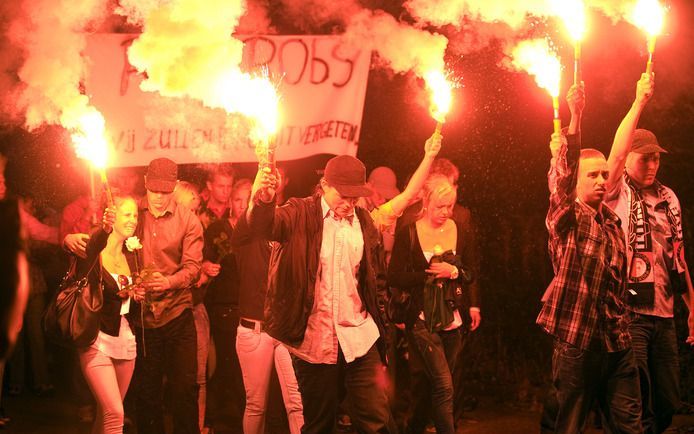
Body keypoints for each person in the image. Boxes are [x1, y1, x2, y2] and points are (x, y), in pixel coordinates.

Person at [243, 155, 394, 434]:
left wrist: (383, 321)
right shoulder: (298, 212)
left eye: (355, 196)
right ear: (324, 185)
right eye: (343, 195)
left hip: (359, 339)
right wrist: (263, 200)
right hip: (315, 341)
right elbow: (263, 227)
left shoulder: (364, 222)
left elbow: (376, 280)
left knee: (378, 423)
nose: (349, 203)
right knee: (318, 426)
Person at [537, 82, 642, 433]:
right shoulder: (566, 219)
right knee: (569, 426)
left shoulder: (612, 224)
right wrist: (576, 116)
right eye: (592, 175)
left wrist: (639, 99)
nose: (601, 180)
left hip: (616, 341)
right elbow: (562, 179)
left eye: (604, 175)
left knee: (630, 425)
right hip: (577, 341)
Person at [603, 73, 694, 433]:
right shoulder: (616, 192)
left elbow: (679, 256)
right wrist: (639, 101)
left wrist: (691, 306)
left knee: (669, 400)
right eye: (645, 159)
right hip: (631, 311)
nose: (653, 165)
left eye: (657, 159)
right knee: (634, 397)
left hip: (665, 311)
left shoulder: (669, 198)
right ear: (629, 161)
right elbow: (617, 152)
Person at [387, 176, 475, 434]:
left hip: (452, 319)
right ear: (426, 202)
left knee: (435, 384)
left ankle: (413, 427)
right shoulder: (409, 233)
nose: (445, 212)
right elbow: (394, 276)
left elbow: (472, 272)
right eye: (439, 206)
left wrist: (454, 272)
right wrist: (429, 274)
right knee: (444, 384)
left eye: (449, 206)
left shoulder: (461, 230)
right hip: (422, 319)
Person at [131, 157, 204, 434]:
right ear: (146, 184)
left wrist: (170, 282)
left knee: (185, 390)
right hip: (143, 320)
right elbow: (111, 252)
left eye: (165, 191)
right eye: (154, 191)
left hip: (177, 314)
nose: (159, 198)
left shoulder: (189, 221)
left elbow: (193, 268)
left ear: (174, 187)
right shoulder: (131, 213)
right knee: (147, 394)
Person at [230, 178, 304, 434]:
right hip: (255, 331)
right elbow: (254, 214)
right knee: (256, 406)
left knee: (296, 403)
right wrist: (260, 193)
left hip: (285, 332)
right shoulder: (245, 235)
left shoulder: (289, 235)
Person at [77, 196, 141, 434]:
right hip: (97, 339)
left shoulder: (133, 255)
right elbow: (91, 245)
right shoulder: (95, 251)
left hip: (125, 340)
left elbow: (130, 299)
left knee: (107, 417)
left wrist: (138, 294)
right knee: (115, 414)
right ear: (112, 217)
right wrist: (103, 228)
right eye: (127, 214)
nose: (133, 220)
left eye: (135, 215)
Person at [201, 179, 247, 432]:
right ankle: (220, 418)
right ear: (230, 202)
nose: (242, 205)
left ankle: (241, 418)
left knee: (240, 366)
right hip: (222, 307)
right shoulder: (217, 229)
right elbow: (202, 260)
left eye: (246, 199)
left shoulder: (255, 230)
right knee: (228, 363)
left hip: (249, 307)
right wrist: (206, 266)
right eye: (237, 199)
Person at [173, 180, 211, 433]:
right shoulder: (162, 235)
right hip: (172, 311)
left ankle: (196, 427)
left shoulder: (198, 232)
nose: (194, 216)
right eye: (189, 209)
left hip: (195, 309)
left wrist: (203, 271)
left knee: (199, 378)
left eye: (196, 210)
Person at [199, 164, 234, 229]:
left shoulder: (236, 209)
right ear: (209, 185)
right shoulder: (199, 210)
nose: (226, 191)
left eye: (229, 186)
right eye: (221, 186)